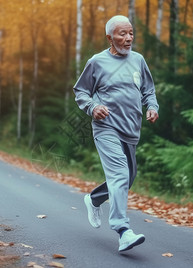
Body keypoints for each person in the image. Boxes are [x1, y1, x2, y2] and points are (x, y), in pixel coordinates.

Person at [73, 15, 159, 252]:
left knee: (128, 178)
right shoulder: (97, 62)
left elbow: (148, 90)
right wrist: (93, 107)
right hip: (106, 128)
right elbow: (81, 91)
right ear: (110, 38)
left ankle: (94, 199)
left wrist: (152, 107)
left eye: (131, 33)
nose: (128, 38)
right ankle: (123, 231)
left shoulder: (138, 60)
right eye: (122, 34)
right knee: (120, 173)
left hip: (131, 130)